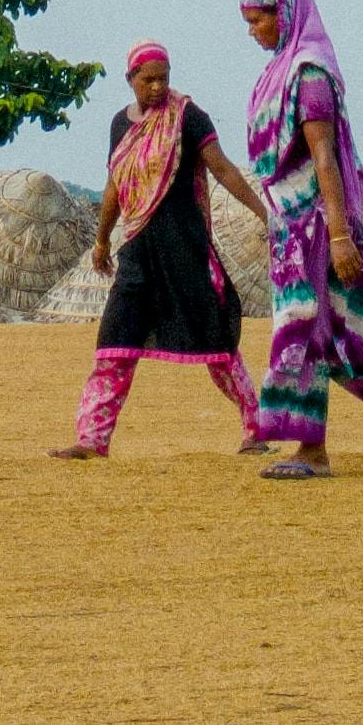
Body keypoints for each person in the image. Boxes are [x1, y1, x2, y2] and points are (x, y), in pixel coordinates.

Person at [239, 0, 363, 479]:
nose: (253, 31)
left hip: (316, 232)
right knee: (337, 327)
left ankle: (311, 451)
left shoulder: (309, 75)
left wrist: (342, 234)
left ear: (286, 15)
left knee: (300, 330)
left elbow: (325, 155)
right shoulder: (279, 72)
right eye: (249, 23)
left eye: (259, 21)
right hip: (290, 228)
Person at [51, 41, 266, 460]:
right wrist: (101, 239)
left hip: (186, 248)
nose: (156, 88)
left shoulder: (188, 116)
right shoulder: (120, 125)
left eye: (162, 79)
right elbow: (115, 184)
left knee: (216, 344)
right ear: (130, 80)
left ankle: (255, 426)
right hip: (138, 250)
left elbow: (221, 167)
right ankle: (91, 439)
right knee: (114, 343)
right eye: (147, 80)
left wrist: (262, 213)